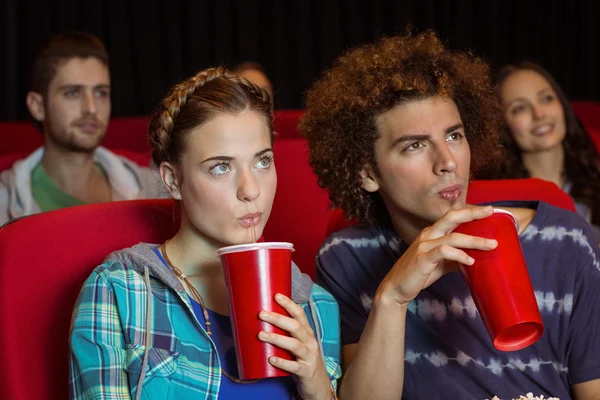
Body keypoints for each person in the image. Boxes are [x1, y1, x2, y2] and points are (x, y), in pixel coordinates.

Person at [299, 31, 600, 399]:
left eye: (454, 136)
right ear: (367, 173)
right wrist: (392, 298)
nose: (448, 162)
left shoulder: (565, 240)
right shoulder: (347, 258)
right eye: (415, 145)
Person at [69, 67, 341, 399]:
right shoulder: (120, 290)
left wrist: (319, 393)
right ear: (172, 180)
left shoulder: (315, 306)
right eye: (221, 167)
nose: (250, 190)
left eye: (262, 161)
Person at [0, 31, 163, 225]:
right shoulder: (4, 201)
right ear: (38, 106)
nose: (91, 108)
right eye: (72, 93)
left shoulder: (153, 187)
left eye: (101, 93)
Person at [490, 61, 600, 237]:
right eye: (519, 108)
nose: (539, 114)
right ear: (503, 126)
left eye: (546, 98)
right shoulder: (497, 204)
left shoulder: (595, 174)